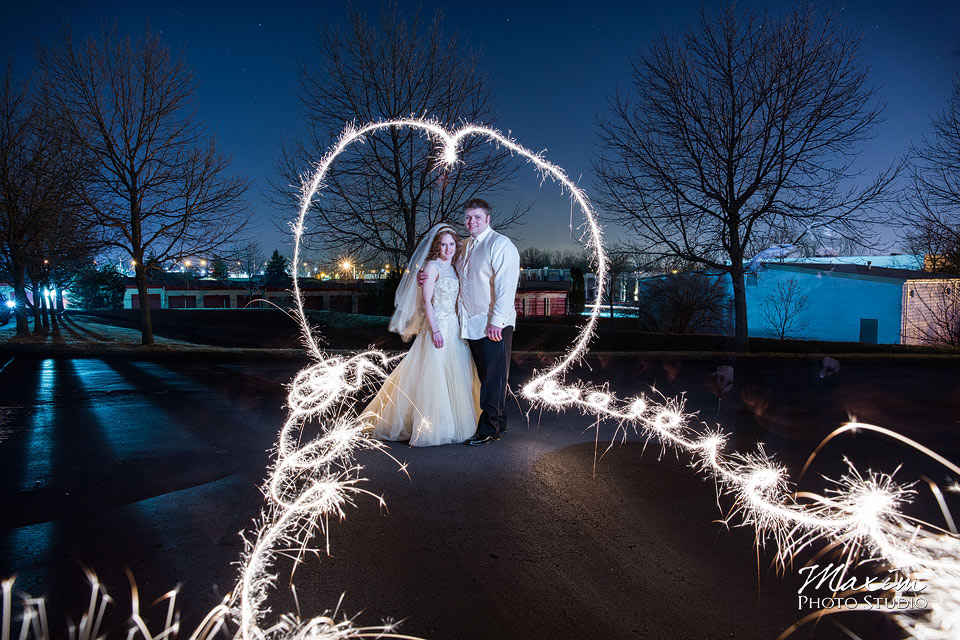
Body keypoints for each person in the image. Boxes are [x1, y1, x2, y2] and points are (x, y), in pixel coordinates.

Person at [363, 224, 480, 446]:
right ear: (437, 246)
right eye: (443, 244)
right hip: (437, 326)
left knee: (454, 376)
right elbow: (426, 301)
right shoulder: (431, 267)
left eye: (452, 244)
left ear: (456, 246)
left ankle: (452, 424)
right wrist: (435, 329)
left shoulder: (454, 268)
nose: (448, 248)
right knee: (432, 376)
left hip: (453, 327)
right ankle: (432, 426)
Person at [420, 198, 520, 445]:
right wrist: (426, 273)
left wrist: (496, 321)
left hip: (493, 323)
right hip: (470, 324)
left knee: (494, 377)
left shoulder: (500, 244)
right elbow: (447, 267)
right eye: (467, 217)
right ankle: (500, 421)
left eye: (477, 217)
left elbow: (506, 286)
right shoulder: (464, 245)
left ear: (487, 219)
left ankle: (489, 430)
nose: (471, 221)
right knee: (487, 376)